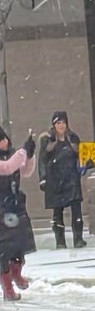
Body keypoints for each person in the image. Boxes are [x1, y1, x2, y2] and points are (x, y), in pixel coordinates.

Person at [38, 111, 89, 249]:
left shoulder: (73, 138)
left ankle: (78, 239)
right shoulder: (47, 140)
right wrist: (42, 178)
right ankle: (60, 241)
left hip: (71, 178)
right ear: (54, 125)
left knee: (76, 209)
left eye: (63, 122)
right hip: (55, 179)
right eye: (58, 123)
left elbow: (82, 156)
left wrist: (86, 163)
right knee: (57, 211)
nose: (61, 126)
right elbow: (42, 160)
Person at [0, 128, 37, 301]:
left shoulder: (13, 155)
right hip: (1, 208)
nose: (3, 143)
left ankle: (17, 272)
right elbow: (7, 168)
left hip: (14, 206)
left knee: (21, 242)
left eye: (4, 139)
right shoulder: (8, 160)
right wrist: (23, 152)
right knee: (3, 250)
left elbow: (25, 171)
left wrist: (30, 155)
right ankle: (7, 286)